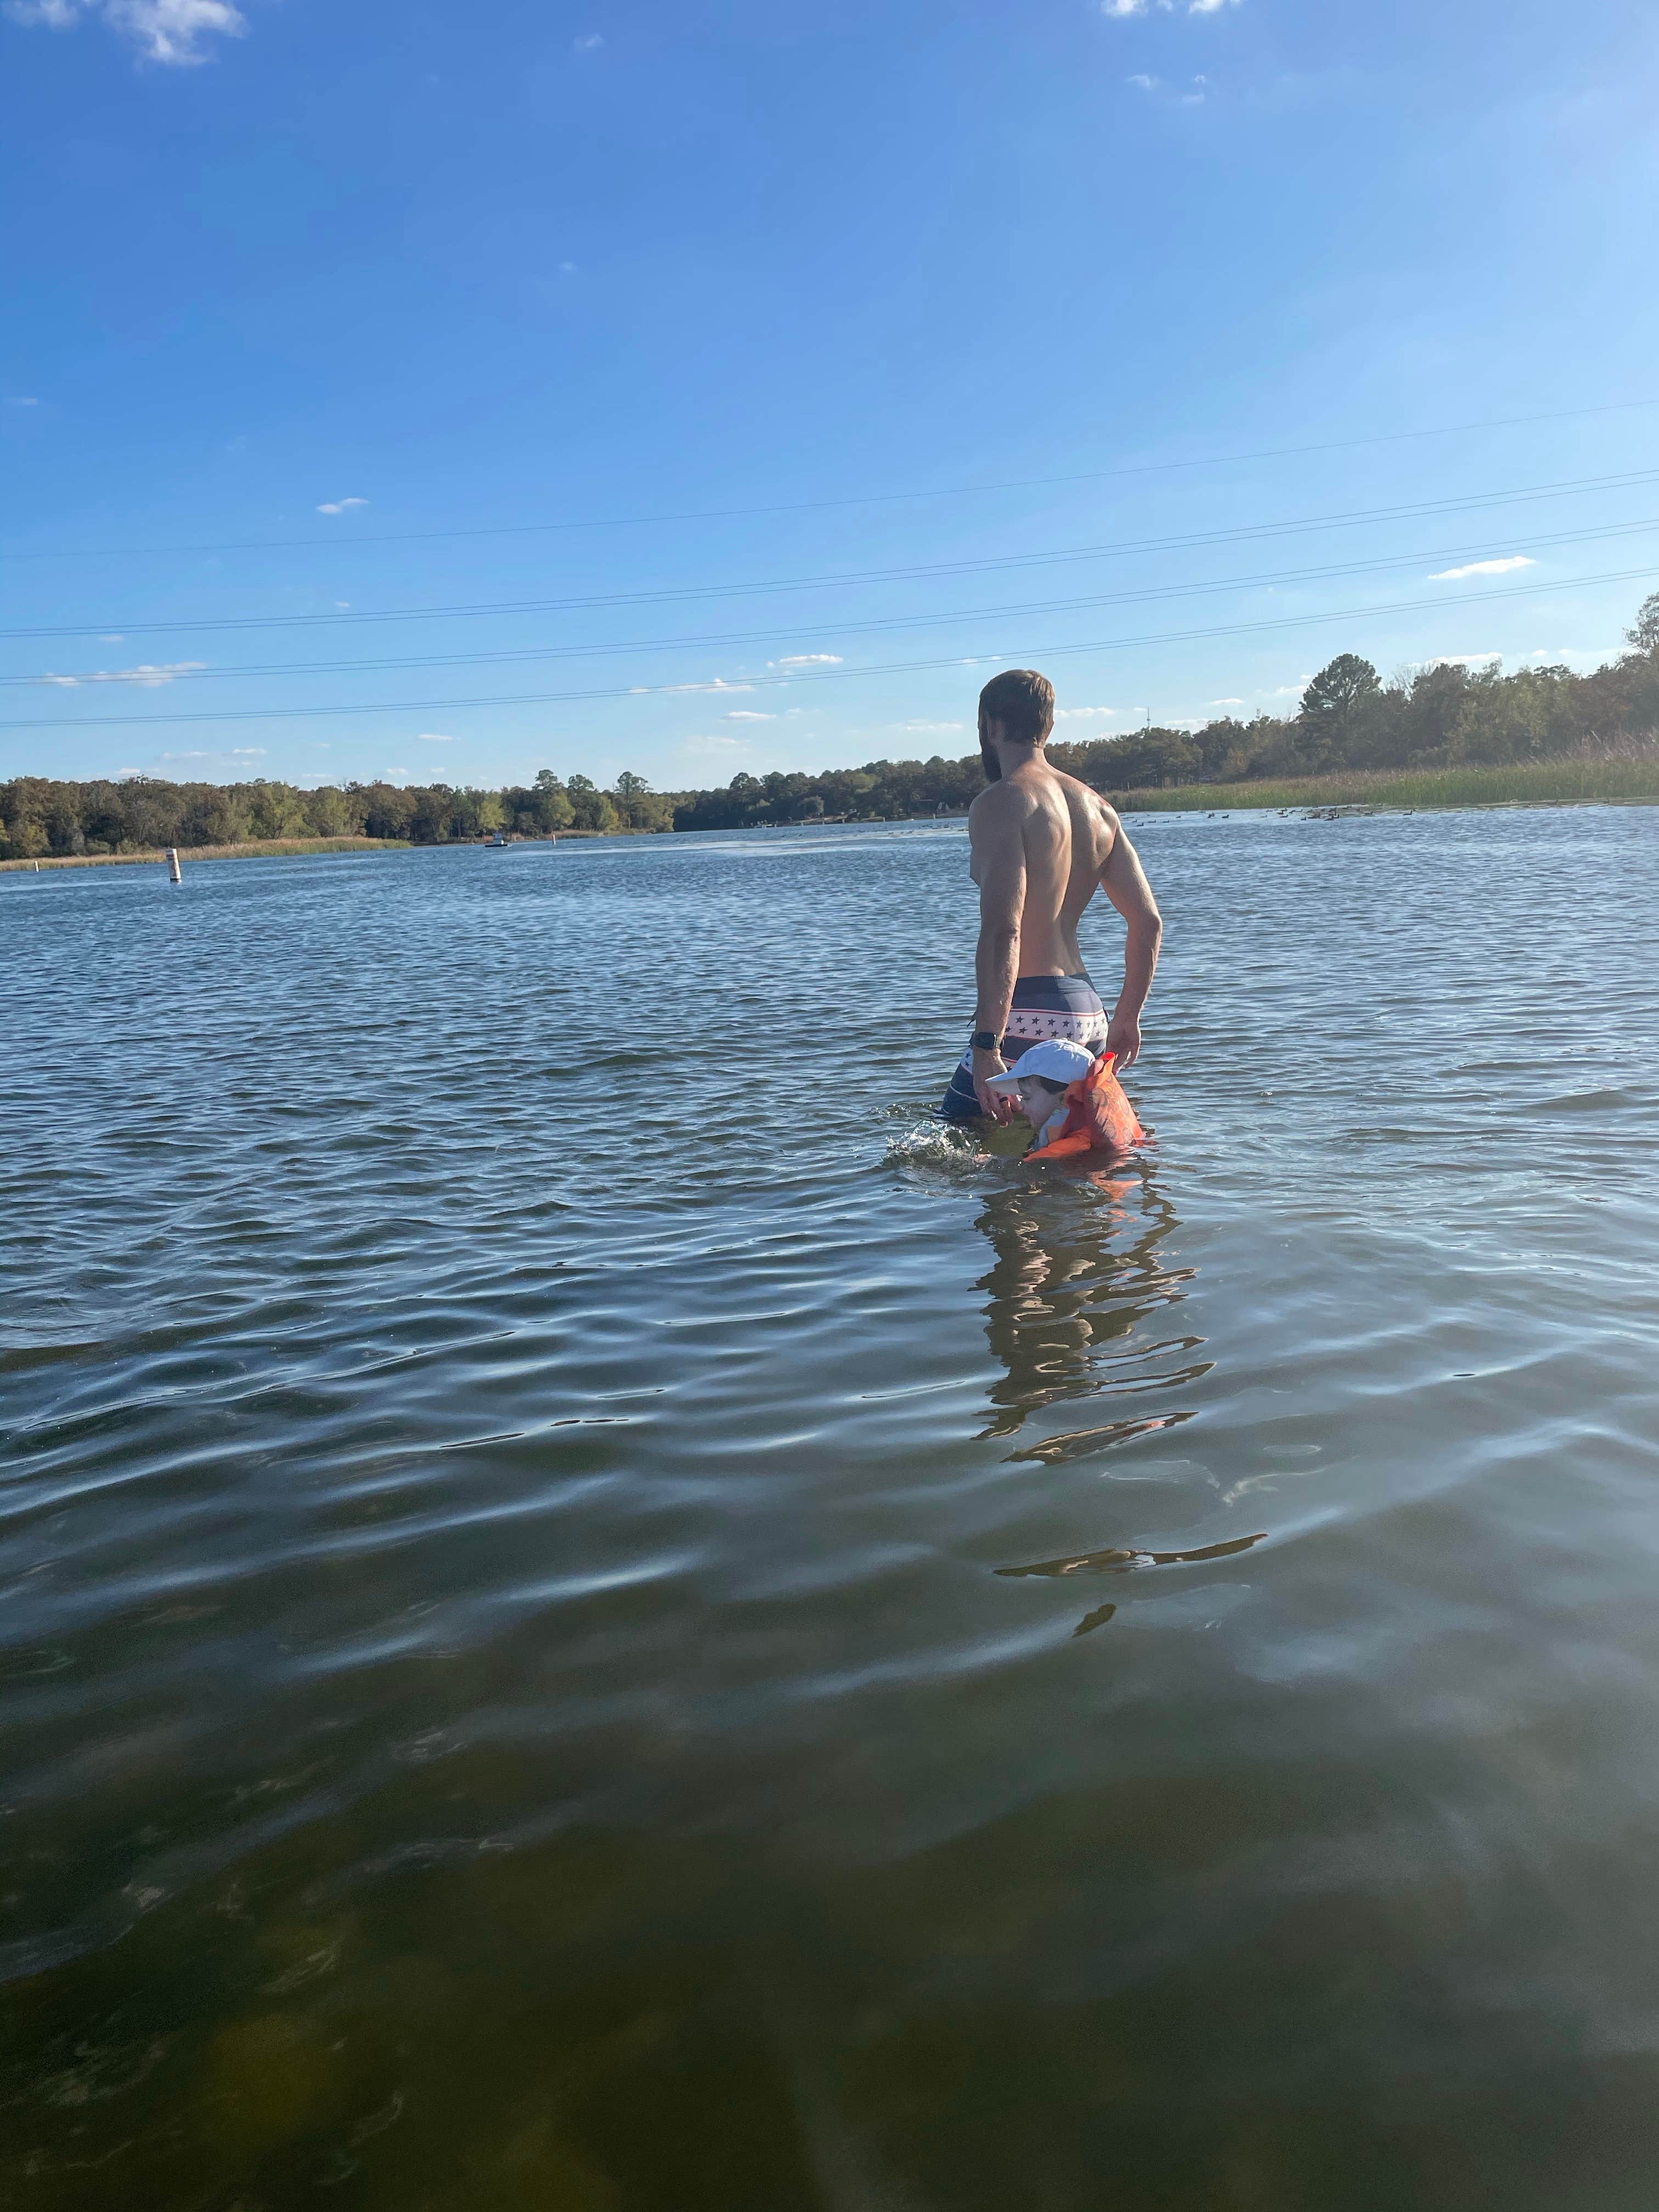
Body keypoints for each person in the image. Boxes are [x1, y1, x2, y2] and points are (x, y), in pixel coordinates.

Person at [940, 668, 1163, 1126]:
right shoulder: (1097, 808)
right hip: (1088, 1013)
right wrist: (1128, 1017)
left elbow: (1006, 928)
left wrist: (987, 1045)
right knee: (1064, 1156)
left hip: (1024, 1013)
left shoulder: (1002, 801)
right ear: (1049, 727)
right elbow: (1148, 922)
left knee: (952, 1149)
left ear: (990, 725)